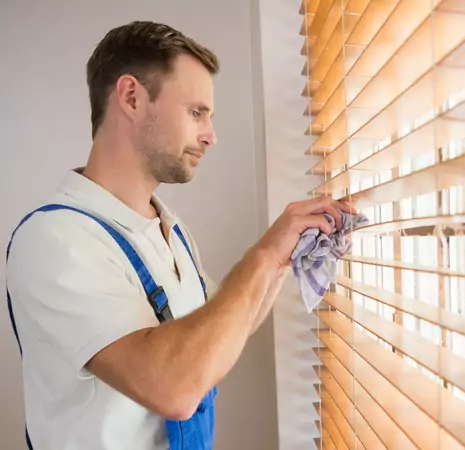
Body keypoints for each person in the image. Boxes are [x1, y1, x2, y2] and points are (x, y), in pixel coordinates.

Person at [5, 20, 352, 450]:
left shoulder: (169, 228)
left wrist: (284, 255)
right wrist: (263, 256)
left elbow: (218, 334)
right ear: (131, 97)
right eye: (195, 113)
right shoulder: (55, 241)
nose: (211, 135)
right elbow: (174, 387)